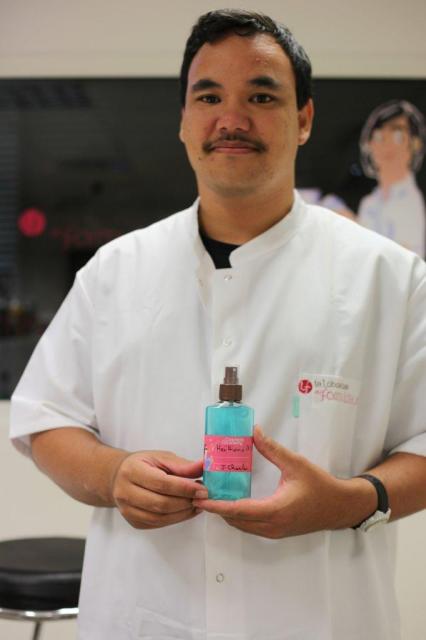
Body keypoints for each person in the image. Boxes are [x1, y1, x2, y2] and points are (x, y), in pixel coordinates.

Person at [9, 9, 426, 640]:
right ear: (183, 120)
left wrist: (352, 502)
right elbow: (46, 420)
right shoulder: (115, 271)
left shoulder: (390, 277)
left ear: (304, 119)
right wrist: (113, 475)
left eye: (261, 96)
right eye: (209, 97)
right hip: (147, 618)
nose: (232, 118)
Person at [358, 100, 426, 258]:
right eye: (379, 137)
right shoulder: (369, 203)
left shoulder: (412, 202)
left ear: (415, 144)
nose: (387, 145)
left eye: (398, 136)